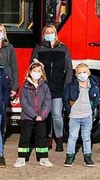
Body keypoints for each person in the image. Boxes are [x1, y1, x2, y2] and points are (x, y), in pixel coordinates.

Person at [30, 24, 73, 152]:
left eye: (51, 32)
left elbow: (69, 69)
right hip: (43, 88)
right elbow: (32, 68)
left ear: (55, 33)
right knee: (45, 115)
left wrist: (67, 86)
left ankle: (59, 139)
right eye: (46, 32)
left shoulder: (63, 49)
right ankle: (47, 139)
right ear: (43, 35)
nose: (49, 34)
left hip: (58, 88)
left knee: (57, 115)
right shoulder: (39, 49)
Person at [13, 61, 52, 168]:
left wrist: (42, 115)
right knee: (25, 137)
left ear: (42, 73)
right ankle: (21, 158)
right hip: (28, 117)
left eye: (39, 71)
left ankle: (43, 158)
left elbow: (47, 102)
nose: (36, 73)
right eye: (34, 71)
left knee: (42, 137)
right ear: (30, 72)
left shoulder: (45, 87)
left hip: (41, 118)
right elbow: (24, 103)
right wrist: (34, 115)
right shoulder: (25, 86)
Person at [62, 63, 100, 167]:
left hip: (87, 116)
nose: (82, 74)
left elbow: (95, 101)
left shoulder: (94, 87)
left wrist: (90, 110)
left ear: (89, 73)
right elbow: (65, 99)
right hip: (74, 117)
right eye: (79, 72)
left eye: (84, 72)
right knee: (73, 136)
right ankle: (69, 157)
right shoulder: (71, 86)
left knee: (86, 137)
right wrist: (70, 111)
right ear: (75, 74)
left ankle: (88, 157)